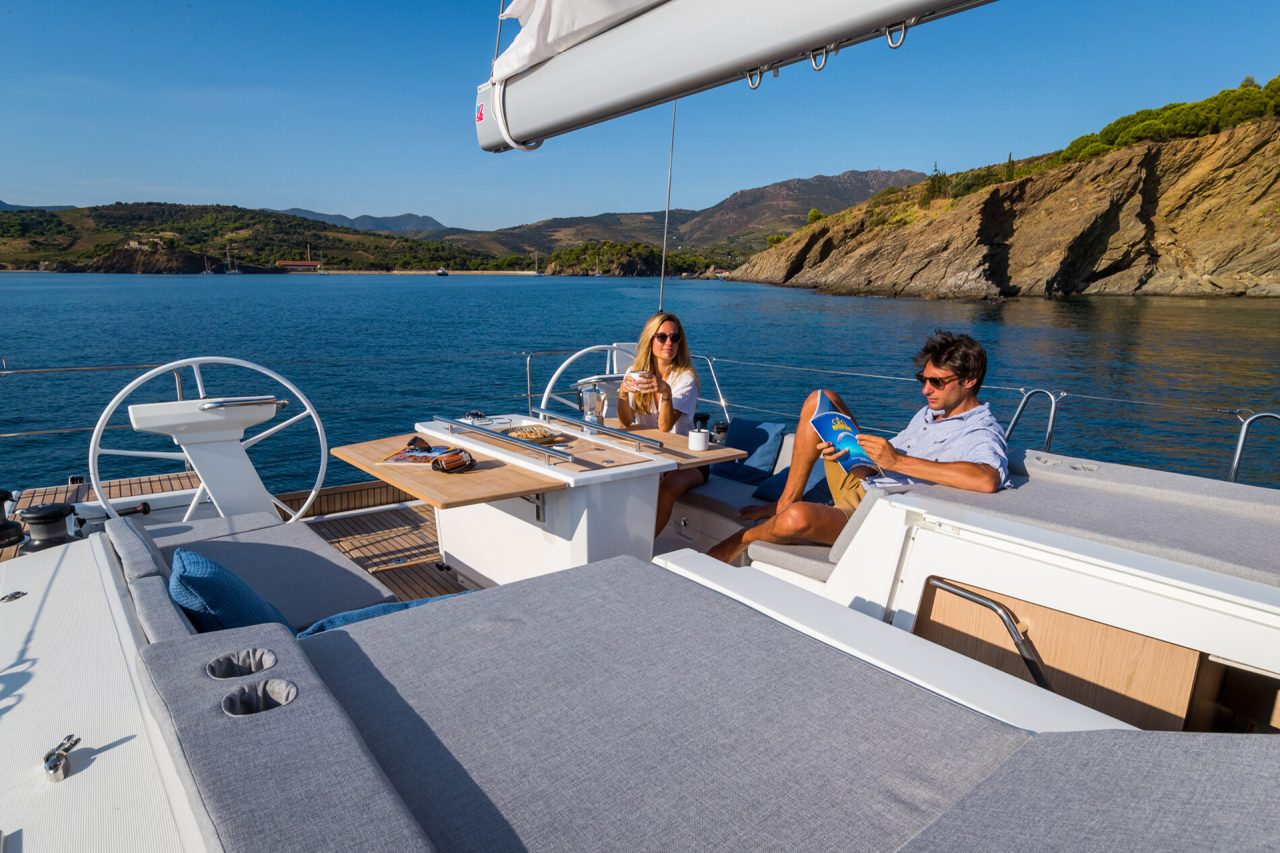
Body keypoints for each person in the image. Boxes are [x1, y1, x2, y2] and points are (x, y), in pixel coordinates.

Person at [707, 330, 1009, 564]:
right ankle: (785, 500)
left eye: (937, 382)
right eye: (923, 378)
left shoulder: (980, 430)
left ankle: (742, 540)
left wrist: (897, 462)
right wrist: (857, 456)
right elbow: (888, 464)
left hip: (875, 508)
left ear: (969, 380)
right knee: (820, 400)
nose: (925, 389)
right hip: (868, 475)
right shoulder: (932, 413)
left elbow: (986, 478)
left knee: (796, 519)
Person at [617, 312, 705, 536]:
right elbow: (625, 421)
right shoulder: (635, 373)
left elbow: (665, 427)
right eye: (662, 337)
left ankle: (640, 548)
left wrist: (665, 392)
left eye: (675, 338)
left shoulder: (685, 379)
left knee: (667, 488)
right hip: (652, 455)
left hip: (688, 460)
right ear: (650, 339)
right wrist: (623, 394)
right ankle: (620, 537)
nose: (669, 343)